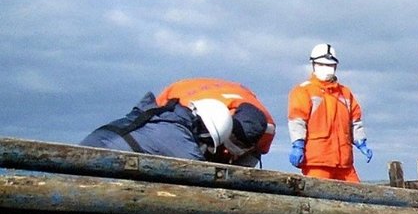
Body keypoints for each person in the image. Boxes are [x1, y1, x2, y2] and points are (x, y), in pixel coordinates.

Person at [82, 77, 275, 166]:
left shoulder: (267, 127)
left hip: (100, 140)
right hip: (104, 158)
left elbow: (147, 118)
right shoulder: (180, 95)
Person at [287, 43, 370, 182]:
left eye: (330, 65)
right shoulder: (303, 91)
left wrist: (361, 142)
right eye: (321, 65)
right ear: (313, 65)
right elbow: (297, 121)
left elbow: (355, 121)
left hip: (345, 163)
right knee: (318, 201)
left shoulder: (345, 93)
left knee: (359, 198)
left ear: (336, 66)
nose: (326, 68)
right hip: (317, 162)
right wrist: (298, 144)